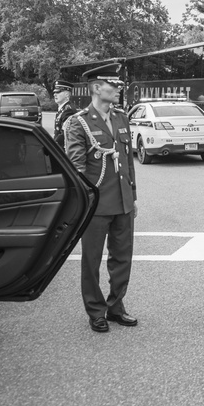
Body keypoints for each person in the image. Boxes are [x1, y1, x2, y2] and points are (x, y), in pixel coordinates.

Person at [65, 63, 138, 333]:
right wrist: (84, 203)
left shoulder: (121, 118)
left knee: (122, 259)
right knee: (91, 261)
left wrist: (133, 197)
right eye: (113, 84)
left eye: (119, 85)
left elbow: (128, 162)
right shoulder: (79, 122)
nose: (119, 89)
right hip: (96, 205)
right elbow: (77, 167)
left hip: (122, 202)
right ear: (96, 88)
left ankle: (116, 307)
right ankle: (96, 311)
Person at [52, 79, 75, 149]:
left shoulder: (69, 110)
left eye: (58, 92)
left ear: (67, 94)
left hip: (64, 151)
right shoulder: (63, 109)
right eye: (54, 92)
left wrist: (52, 146)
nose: (55, 94)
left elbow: (64, 134)